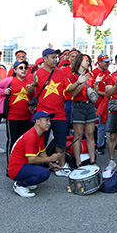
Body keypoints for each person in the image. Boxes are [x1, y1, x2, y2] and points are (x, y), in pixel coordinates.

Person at [34, 48, 83, 177]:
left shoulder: (60, 73)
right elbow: (29, 91)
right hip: (43, 114)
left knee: (61, 142)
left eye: (56, 57)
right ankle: (43, 164)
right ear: (45, 59)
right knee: (41, 142)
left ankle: (61, 166)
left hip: (59, 114)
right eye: (53, 57)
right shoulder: (37, 73)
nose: (56, 60)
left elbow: (69, 88)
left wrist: (78, 82)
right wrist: (32, 85)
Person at [0, 60, 36, 176]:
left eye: (25, 67)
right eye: (21, 68)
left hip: (26, 117)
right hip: (12, 117)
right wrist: (3, 91)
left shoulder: (29, 81)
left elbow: (33, 95)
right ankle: (10, 166)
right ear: (15, 70)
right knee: (12, 141)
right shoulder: (9, 80)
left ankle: (22, 165)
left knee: (24, 142)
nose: (24, 70)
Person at [7, 111, 62, 197]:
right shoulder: (31, 136)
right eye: (46, 120)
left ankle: (26, 181)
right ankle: (20, 184)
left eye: (49, 121)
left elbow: (42, 153)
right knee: (45, 174)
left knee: (46, 166)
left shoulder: (40, 134)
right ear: (37, 122)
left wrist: (51, 164)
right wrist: (50, 159)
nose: (49, 123)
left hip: (23, 165)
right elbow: (32, 159)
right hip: (16, 169)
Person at [67, 54, 97, 166]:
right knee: (78, 135)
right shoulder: (73, 75)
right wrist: (80, 82)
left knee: (90, 134)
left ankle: (92, 160)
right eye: (85, 61)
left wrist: (97, 84)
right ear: (79, 61)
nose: (88, 63)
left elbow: (94, 93)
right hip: (78, 105)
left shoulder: (90, 75)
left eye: (89, 61)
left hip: (89, 106)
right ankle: (78, 161)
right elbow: (73, 94)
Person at [92, 54, 112, 155]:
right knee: (100, 125)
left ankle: (104, 143)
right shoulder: (94, 73)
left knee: (106, 125)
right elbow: (92, 88)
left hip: (107, 102)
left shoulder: (108, 73)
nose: (108, 64)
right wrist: (103, 93)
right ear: (99, 62)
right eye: (106, 62)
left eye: (109, 62)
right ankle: (99, 145)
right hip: (97, 103)